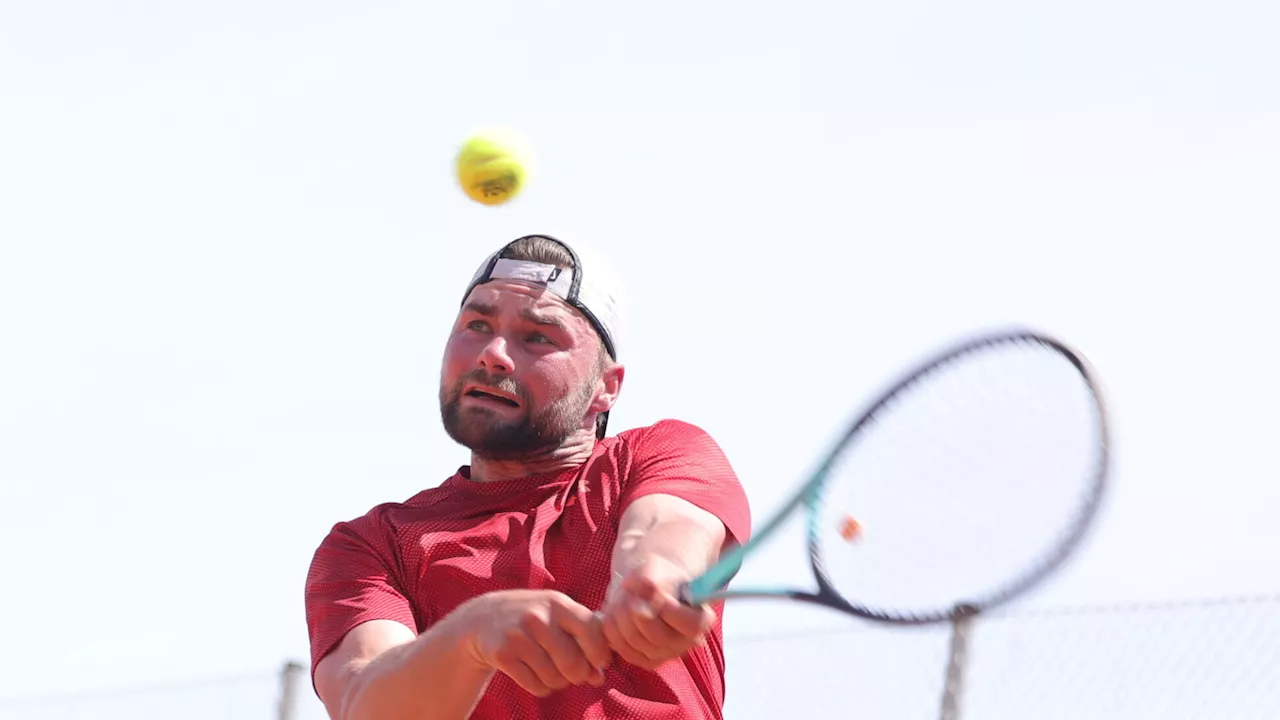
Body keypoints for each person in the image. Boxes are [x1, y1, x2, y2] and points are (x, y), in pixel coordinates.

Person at [304, 234, 753, 720]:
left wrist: (654, 579)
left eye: (538, 336)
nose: (493, 353)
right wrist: (471, 637)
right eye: (477, 324)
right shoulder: (371, 546)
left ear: (606, 388)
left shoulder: (658, 454)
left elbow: (668, 533)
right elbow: (364, 704)